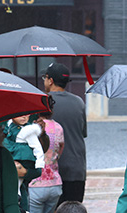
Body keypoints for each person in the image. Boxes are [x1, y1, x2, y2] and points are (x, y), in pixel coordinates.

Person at [42, 62, 87, 205]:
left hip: (49, 172)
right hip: (76, 168)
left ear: (50, 80)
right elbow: (83, 132)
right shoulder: (79, 102)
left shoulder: (43, 102)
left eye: (45, 78)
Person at [28, 103, 64, 213]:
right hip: (55, 183)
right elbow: (60, 151)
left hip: (35, 184)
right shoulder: (58, 127)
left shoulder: (32, 127)